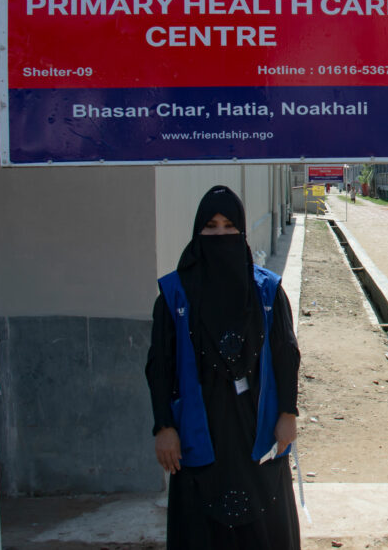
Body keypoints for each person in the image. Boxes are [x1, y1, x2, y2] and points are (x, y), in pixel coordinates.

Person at [146, 185, 301, 549]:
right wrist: (163, 427)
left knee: (265, 525)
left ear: (242, 231)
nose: (220, 234)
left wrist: (288, 414)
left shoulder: (266, 290)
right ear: (197, 232)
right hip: (199, 428)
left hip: (254, 425)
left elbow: (286, 354)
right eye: (211, 226)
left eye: (229, 226)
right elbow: (159, 366)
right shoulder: (174, 294)